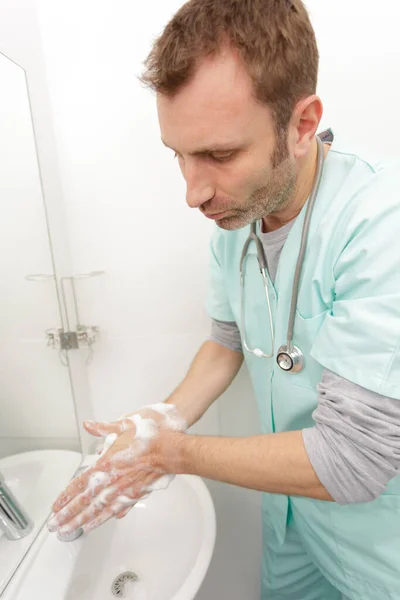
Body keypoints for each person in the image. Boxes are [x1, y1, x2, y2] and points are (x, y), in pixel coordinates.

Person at [48, 1, 400, 598]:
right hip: (292, 525)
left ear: (302, 124)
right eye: (178, 155)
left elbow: (353, 459)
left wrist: (170, 454)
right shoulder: (238, 223)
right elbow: (225, 342)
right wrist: (164, 417)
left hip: (379, 544)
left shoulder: (378, 228)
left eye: (219, 155)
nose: (193, 193)